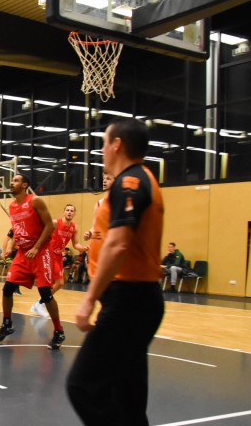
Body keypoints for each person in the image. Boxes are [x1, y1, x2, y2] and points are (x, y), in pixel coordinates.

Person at [67, 118, 165, 425]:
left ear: (117, 145)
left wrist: (89, 298)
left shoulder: (130, 182)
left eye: (104, 142)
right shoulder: (140, 180)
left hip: (129, 302)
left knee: (83, 386)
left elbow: (118, 244)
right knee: (128, 395)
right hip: (137, 300)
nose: (102, 149)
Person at [0, 174, 64, 349]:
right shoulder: (11, 206)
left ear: (25, 185)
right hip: (23, 253)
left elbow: (50, 226)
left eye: (16, 180)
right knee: (8, 288)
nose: (11, 183)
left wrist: (36, 247)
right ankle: (7, 323)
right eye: (12, 180)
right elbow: (18, 229)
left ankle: (58, 331)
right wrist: (11, 246)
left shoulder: (35, 201)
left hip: (40, 252)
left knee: (45, 293)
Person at [31, 204, 88, 316]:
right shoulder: (55, 223)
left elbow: (75, 244)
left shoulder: (74, 227)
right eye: (67, 210)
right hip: (48, 253)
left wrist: (84, 248)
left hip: (58, 256)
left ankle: (39, 303)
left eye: (72, 211)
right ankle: (41, 303)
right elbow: (42, 232)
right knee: (53, 282)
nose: (69, 212)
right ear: (64, 212)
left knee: (60, 283)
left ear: (74, 214)